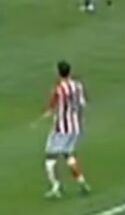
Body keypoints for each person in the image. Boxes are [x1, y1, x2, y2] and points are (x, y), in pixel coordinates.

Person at [39, 60, 91, 198]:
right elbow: (82, 103)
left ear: (58, 72)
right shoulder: (78, 86)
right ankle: (82, 182)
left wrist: (45, 115)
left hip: (61, 128)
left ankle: (56, 187)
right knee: (69, 155)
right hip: (75, 127)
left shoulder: (58, 89)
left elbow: (51, 108)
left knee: (50, 158)